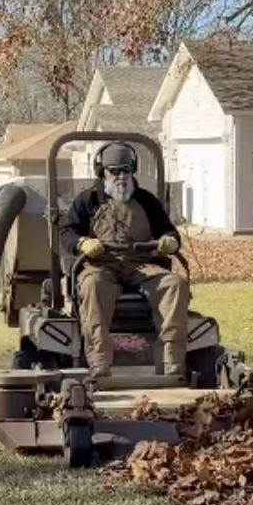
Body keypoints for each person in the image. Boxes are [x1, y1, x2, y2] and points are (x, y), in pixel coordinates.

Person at [60, 141, 188, 378]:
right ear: (102, 172)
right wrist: (82, 243)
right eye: (114, 170)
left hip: (141, 264)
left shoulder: (147, 201)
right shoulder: (86, 201)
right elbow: (67, 233)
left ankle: (172, 362)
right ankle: (99, 364)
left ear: (133, 170)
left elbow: (169, 232)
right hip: (101, 265)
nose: (121, 176)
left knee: (174, 284)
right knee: (92, 286)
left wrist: (170, 241)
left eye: (126, 170)